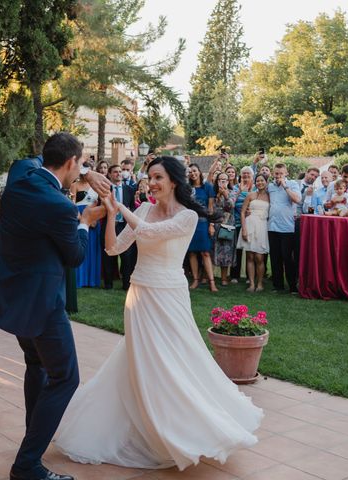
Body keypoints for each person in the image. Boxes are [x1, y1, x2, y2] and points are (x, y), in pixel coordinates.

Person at [55, 156, 263, 470]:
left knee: (176, 359)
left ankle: (181, 428)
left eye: (157, 178)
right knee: (142, 361)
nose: (151, 183)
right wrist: (112, 214)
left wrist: (118, 204)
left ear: (174, 182)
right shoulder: (141, 210)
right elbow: (113, 248)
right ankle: (146, 428)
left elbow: (152, 233)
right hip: (139, 296)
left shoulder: (188, 216)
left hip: (170, 296)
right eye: (150, 177)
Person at [0, 132, 107, 480]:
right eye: (79, 164)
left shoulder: (21, 177)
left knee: (36, 365)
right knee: (66, 377)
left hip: (13, 297)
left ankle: (32, 441)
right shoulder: (62, 208)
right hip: (43, 304)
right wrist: (85, 222)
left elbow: (35, 162)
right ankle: (27, 465)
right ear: (69, 162)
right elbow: (75, 257)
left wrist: (85, 174)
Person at [101, 164, 136, 290]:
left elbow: (133, 207)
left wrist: (128, 211)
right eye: (115, 172)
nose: (119, 174)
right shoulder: (105, 189)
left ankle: (127, 284)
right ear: (110, 174)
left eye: (120, 171)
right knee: (108, 255)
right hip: (109, 225)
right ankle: (108, 284)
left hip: (124, 226)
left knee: (127, 256)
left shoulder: (129, 190)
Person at [267, 163, 301, 293]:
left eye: (281, 173)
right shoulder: (270, 186)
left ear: (286, 173)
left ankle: (292, 286)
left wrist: (285, 186)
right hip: (272, 226)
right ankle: (278, 285)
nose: (278, 176)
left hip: (287, 227)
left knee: (287, 257)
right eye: (276, 173)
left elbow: (297, 199)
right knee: (275, 258)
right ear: (273, 173)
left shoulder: (292, 184)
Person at [187, 164, 217, 292]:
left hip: (203, 223)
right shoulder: (187, 189)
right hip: (190, 224)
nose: (193, 173)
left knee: (205, 252)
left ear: (199, 172)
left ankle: (212, 282)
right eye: (190, 172)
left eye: (194, 171)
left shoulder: (208, 187)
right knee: (192, 252)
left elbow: (211, 209)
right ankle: (195, 280)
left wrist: (211, 224)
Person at [237, 174, 270, 292]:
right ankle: (251, 283)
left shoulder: (269, 197)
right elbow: (242, 212)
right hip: (250, 225)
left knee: (259, 257)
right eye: (258, 181)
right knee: (250, 256)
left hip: (262, 227)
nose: (260, 182)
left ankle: (260, 283)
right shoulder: (250, 195)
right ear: (255, 182)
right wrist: (244, 229)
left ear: (266, 182)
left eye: (262, 180)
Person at [73, 168, 102, 289]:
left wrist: (94, 218)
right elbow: (72, 204)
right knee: (81, 247)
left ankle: (92, 280)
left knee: (93, 248)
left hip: (94, 217)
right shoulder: (74, 185)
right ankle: (80, 279)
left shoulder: (96, 186)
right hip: (80, 217)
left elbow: (101, 204)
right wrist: (83, 219)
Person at [211, 172, 236, 285]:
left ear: (228, 181)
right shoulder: (212, 193)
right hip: (214, 225)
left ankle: (224, 278)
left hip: (227, 225)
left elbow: (231, 206)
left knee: (226, 251)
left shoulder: (232, 192)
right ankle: (209, 276)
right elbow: (210, 210)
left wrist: (225, 195)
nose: (222, 181)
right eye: (220, 179)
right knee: (212, 250)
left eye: (225, 180)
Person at [230, 167, 254, 283]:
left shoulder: (255, 188)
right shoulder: (235, 187)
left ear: (252, 176)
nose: (245, 176)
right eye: (243, 174)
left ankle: (250, 277)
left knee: (250, 250)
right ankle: (235, 275)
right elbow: (230, 204)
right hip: (237, 222)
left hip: (252, 223)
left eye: (248, 174)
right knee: (237, 249)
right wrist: (239, 191)